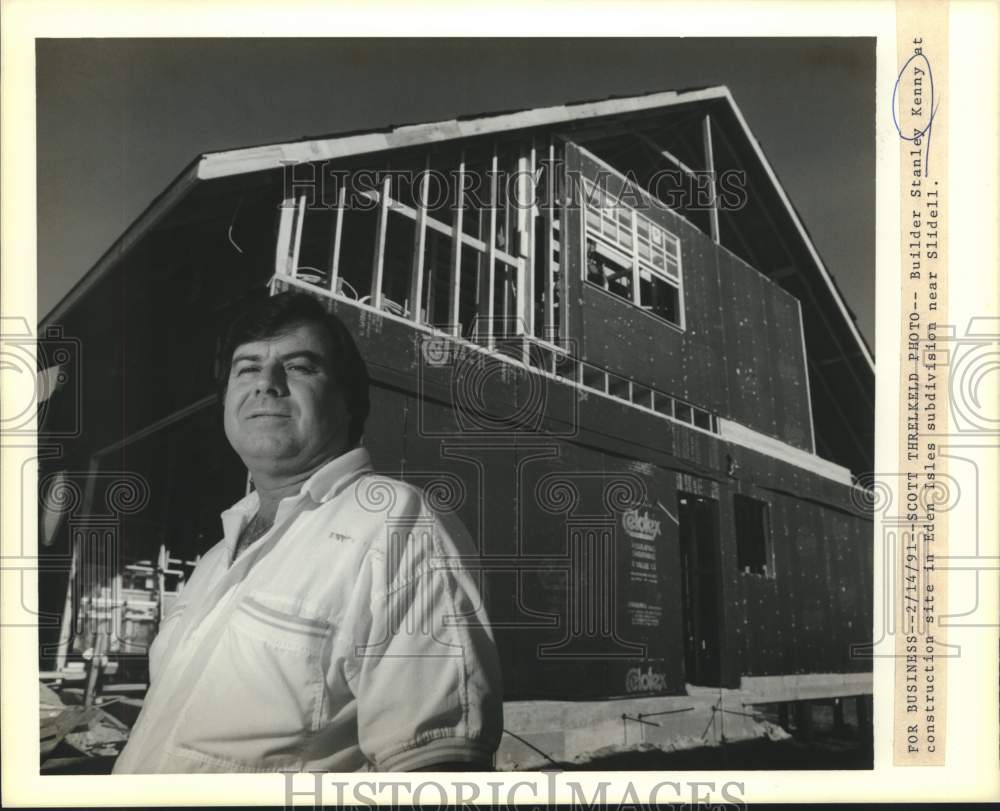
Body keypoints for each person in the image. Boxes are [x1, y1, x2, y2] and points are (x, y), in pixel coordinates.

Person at [113, 291, 503, 773]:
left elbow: (439, 773)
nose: (266, 384)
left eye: (299, 367)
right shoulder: (217, 558)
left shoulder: (396, 527)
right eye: (247, 368)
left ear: (348, 403)